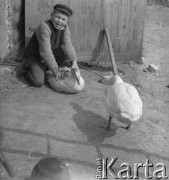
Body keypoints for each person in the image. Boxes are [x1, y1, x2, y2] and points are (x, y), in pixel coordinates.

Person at [24, 4, 79, 87]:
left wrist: (74, 62)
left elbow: (67, 44)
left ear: (67, 21)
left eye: (63, 19)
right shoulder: (44, 27)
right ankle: (27, 68)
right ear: (52, 15)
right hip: (36, 57)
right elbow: (45, 52)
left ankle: (48, 67)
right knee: (38, 82)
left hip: (50, 54)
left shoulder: (65, 28)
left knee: (66, 53)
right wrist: (56, 70)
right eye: (58, 17)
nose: (60, 21)